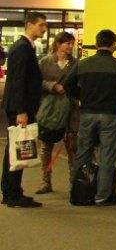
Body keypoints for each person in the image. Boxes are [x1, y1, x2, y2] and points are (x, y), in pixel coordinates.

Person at [65, 29, 116, 206]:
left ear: (96, 44)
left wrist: (82, 95)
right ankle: (103, 196)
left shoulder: (82, 64)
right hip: (110, 114)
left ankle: (78, 191)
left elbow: (67, 86)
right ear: (113, 46)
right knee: (107, 156)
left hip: (87, 113)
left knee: (83, 152)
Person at [3, 11, 48, 208]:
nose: (44, 29)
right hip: (20, 108)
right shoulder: (22, 48)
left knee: (16, 148)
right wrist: (22, 110)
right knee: (17, 148)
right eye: (41, 25)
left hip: (19, 106)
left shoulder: (24, 47)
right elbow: (19, 81)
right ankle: (12, 193)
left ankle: (11, 191)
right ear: (29, 25)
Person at [35, 31, 79, 195]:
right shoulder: (46, 62)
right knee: (46, 147)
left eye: (72, 43)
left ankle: (74, 182)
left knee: (72, 147)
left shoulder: (75, 64)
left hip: (70, 109)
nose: (70, 46)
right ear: (59, 44)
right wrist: (52, 86)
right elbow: (37, 82)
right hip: (50, 109)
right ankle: (45, 181)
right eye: (68, 43)